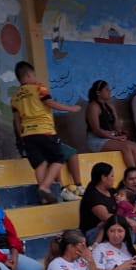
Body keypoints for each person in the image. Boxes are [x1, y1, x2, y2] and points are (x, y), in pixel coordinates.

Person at [11, 61, 82, 204]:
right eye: (34, 75)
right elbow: (50, 103)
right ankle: (45, 187)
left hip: (27, 135)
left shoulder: (15, 97)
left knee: (40, 164)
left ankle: (44, 198)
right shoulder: (39, 88)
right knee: (58, 159)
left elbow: (17, 120)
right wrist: (70, 108)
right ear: (29, 75)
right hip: (44, 130)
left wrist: (21, 137)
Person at [83, 81, 136, 180]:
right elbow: (96, 130)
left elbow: (116, 126)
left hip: (110, 137)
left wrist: (121, 133)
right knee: (125, 147)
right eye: (106, 89)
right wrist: (115, 137)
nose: (110, 91)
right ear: (98, 92)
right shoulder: (93, 106)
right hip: (96, 140)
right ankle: (135, 176)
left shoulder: (110, 106)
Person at [78, 162, 122, 242]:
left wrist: (135, 206)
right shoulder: (92, 195)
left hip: (111, 226)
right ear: (103, 177)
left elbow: (127, 200)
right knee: (123, 229)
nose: (114, 179)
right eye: (112, 176)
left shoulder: (112, 191)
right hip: (93, 232)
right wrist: (128, 220)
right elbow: (106, 217)